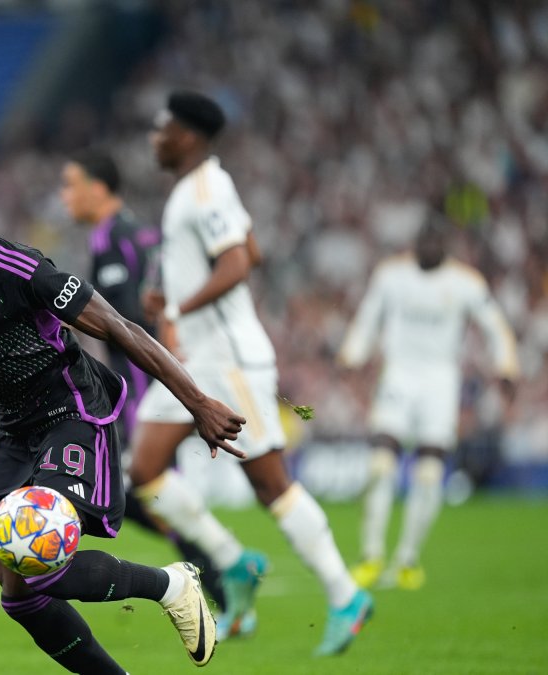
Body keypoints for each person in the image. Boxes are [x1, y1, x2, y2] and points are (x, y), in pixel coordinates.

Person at [0, 160, 248, 672]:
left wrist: (197, 403)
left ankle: (173, 584)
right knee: (18, 595)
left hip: (73, 409)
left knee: (39, 557)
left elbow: (117, 326)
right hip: (12, 426)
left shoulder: (13, 266)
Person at [128, 91, 372, 656]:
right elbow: (252, 246)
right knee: (144, 470)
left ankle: (345, 593)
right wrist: (170, 298)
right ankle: (235, 563)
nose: (154, 138)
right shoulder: (192, 190)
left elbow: (239, 261)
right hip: (196, 360)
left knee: (269, 483)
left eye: (162, 128)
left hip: (231, 361)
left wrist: (178, 308)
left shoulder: (209, 187)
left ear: (188, 134)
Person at [59, 149, 225, 611]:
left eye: (70, 184)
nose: (63, 195)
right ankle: (226, 585)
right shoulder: (131, 234)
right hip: (147, 385)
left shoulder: (117, 238)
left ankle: (227, 571)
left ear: (97, 188)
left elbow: (131, 324)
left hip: (142, 387)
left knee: (139, 493)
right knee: (144, 496)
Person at [337, 220, 519, 590]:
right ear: (415, 243)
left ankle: (407, 559)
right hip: (399, 375)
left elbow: (494, 325)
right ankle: (371, 555)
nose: (428, 246)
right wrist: (352, 355)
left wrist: (506, 365)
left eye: (435, 239)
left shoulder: (466, 282)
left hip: (440, 381)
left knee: (429, 472)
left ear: (445, 245)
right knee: (380, 464)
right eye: (423, 239)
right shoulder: (391, 276)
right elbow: (368, 318)